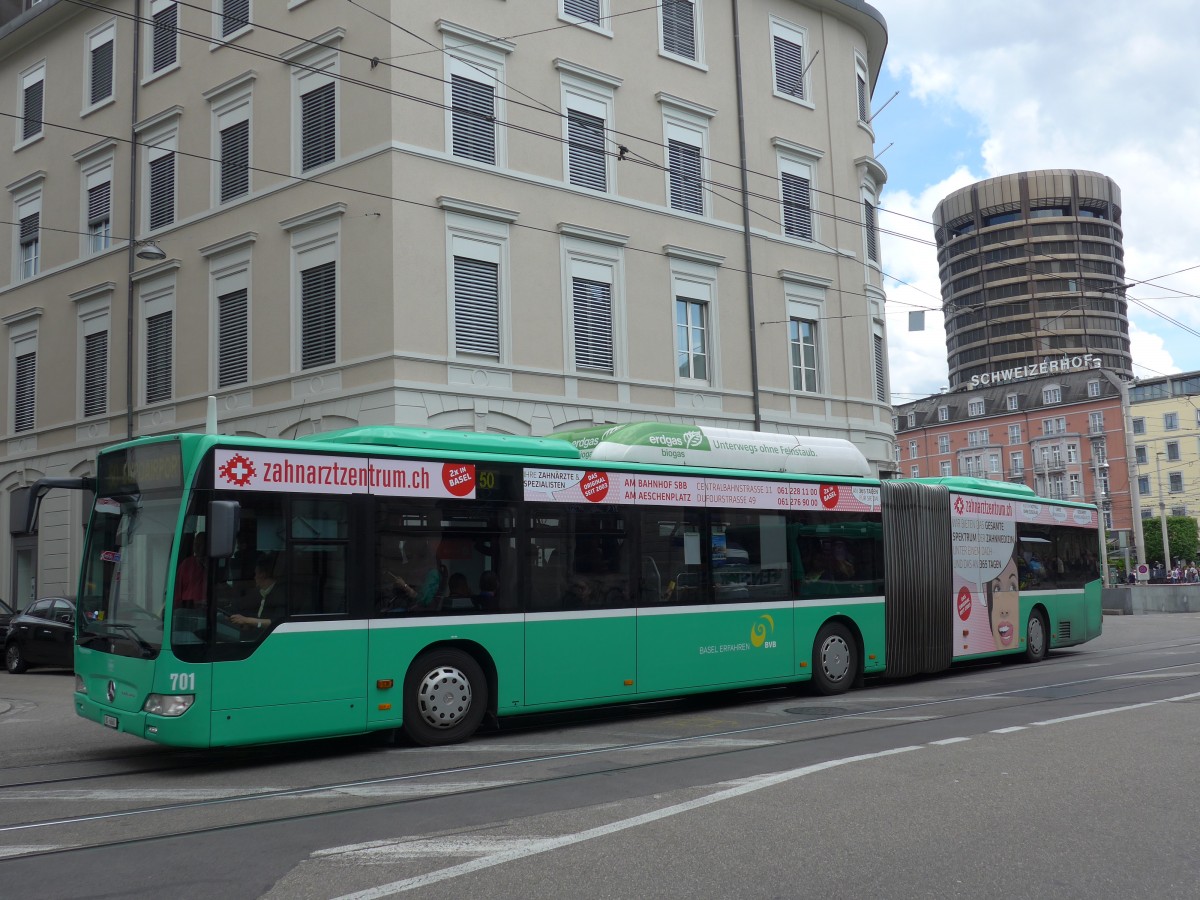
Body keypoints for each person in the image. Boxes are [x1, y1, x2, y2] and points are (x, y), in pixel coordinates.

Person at [230, 554, 286, 633]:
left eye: (255, 574)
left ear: (262, 574)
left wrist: (246, 620)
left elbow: (277, 622)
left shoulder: (280, 595)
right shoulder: (262, 592)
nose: (254, 577)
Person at [389, 538, 443, 610]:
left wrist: (405, 586)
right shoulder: (415, 571)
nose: (407, 561)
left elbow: (423, 600)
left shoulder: (432, 574)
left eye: (409, 557)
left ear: (418, 556)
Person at [174, 532, 208, 609]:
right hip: (188, 608)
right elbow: (177, 589)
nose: (197, 546)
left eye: (200, 543)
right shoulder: (186, 563)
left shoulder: (214, 563)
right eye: (195, 543)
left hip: (207, 609)